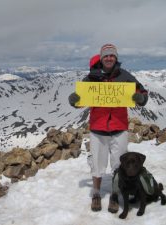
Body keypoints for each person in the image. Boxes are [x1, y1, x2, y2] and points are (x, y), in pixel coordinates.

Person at [68, 43, 148, 212]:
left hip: (119, 127)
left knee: (119, 164)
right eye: (106, 55)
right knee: (97, 163)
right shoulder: (91, 78)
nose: (109, 58)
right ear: (102, 58)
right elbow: (81, 98)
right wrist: (74, 100)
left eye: (112, 55)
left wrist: (140, 98)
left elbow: (142, 92)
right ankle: (96, 193)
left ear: (116, 58)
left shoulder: (125, 76)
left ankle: (114, 194)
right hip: (98, 128)